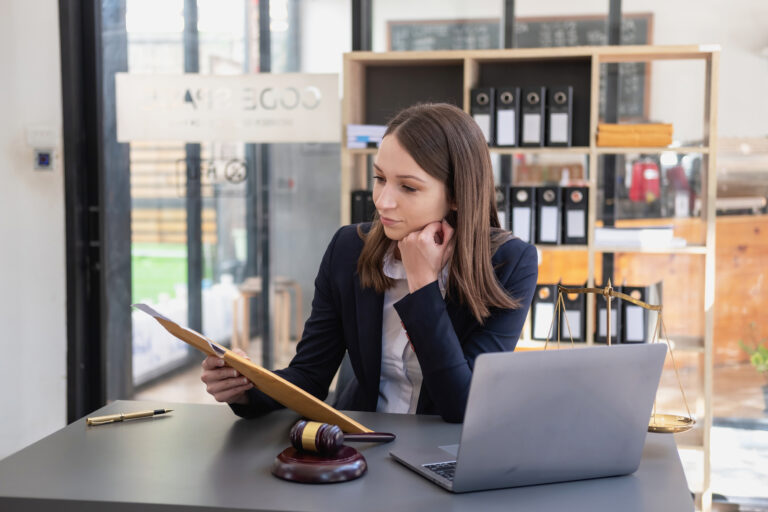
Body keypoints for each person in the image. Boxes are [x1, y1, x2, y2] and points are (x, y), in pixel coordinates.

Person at [201, 103, 539, 423]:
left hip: (446, 455)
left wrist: (422, 284)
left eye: (408, 187)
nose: (382, 200)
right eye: (379, 178)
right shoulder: (349, 248)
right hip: (362, 443)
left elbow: (462, 406)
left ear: (456, 196)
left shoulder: (510, 264)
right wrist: (247, 388)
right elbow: (309, 376)